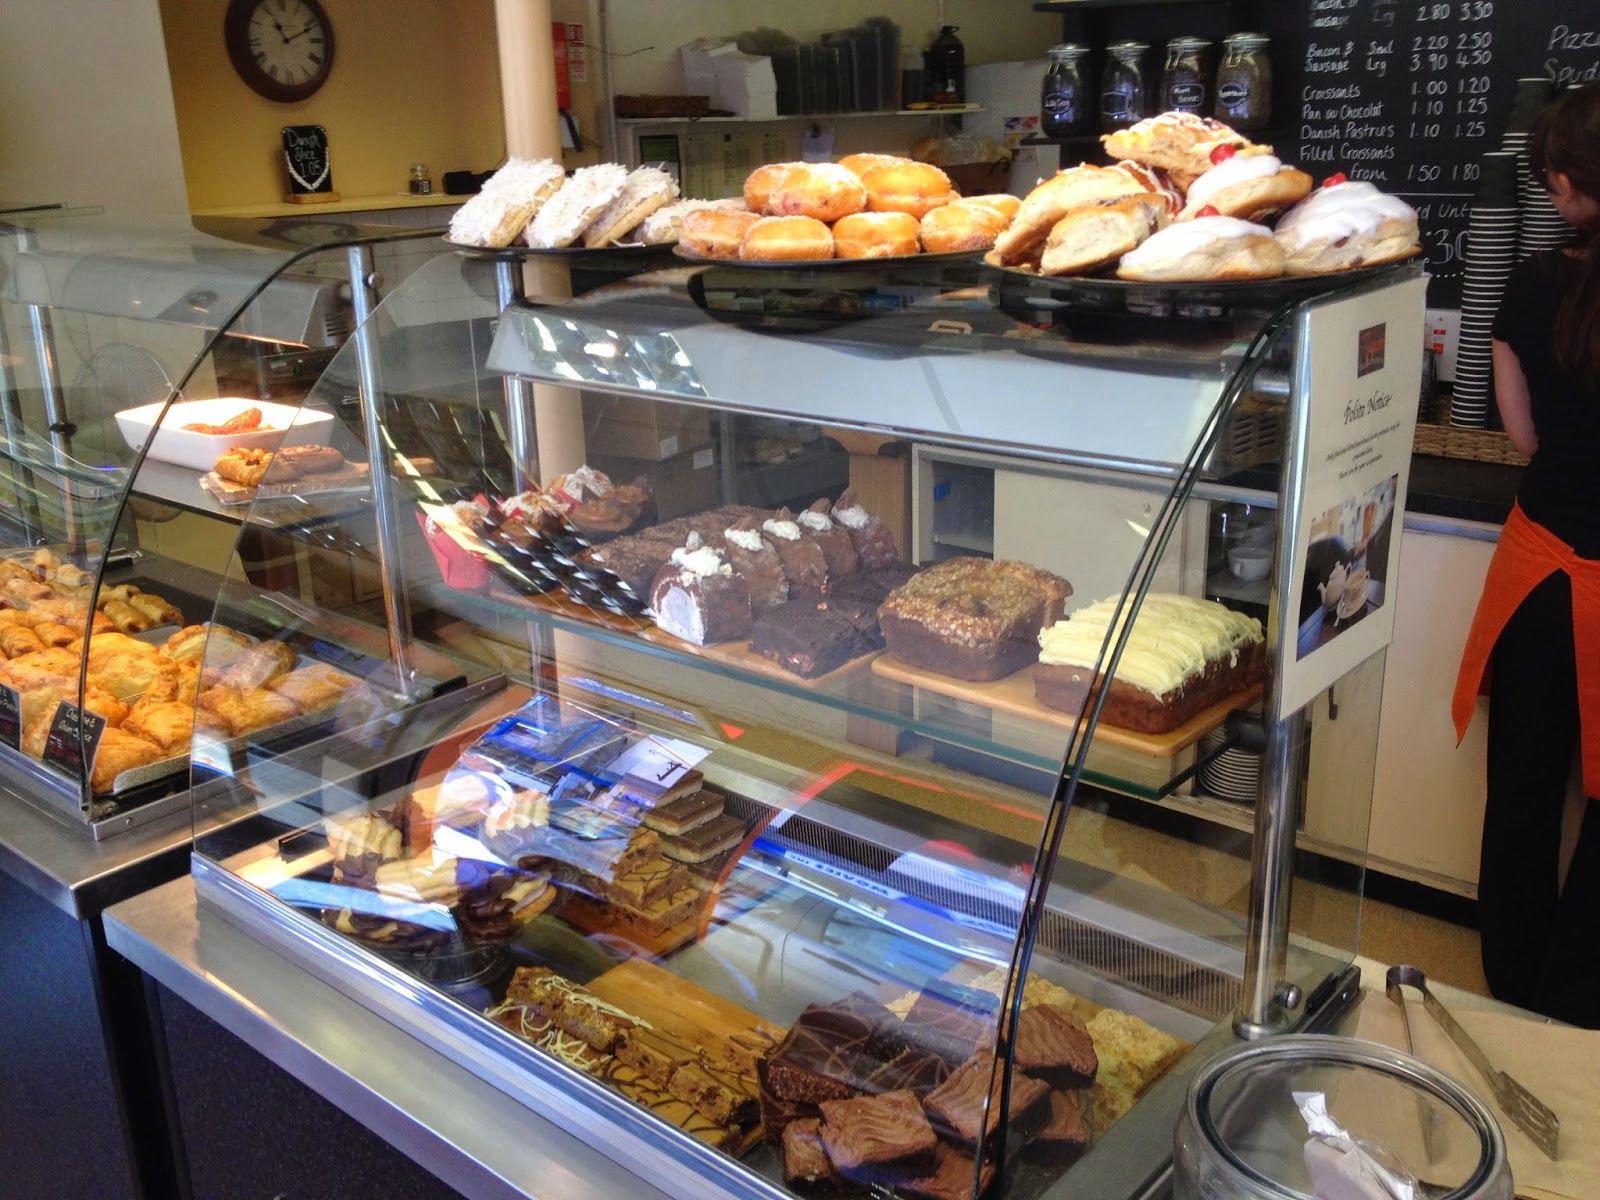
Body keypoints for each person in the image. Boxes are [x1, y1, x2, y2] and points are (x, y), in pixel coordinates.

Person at [1453, 82, 1600, 1028]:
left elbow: (1519, 434)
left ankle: (1512, 985)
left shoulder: (1531, 281)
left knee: (1524, 793)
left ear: (1564, 183)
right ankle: (1577, 1003)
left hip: (1544, 571)